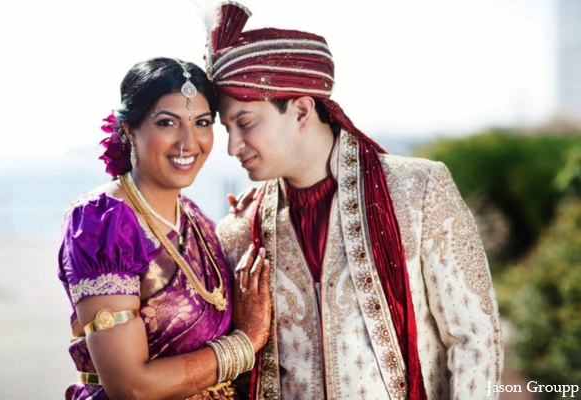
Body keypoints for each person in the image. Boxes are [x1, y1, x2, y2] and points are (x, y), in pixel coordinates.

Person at [209, 3, 504, 399]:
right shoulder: (239, 231)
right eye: (227, 128)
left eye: (244, 123)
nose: (232, 146)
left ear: (300, 110)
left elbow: (475, 338)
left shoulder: (417, 190)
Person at [57, 57, 271, 400]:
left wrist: (251, 219)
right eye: (168, 122)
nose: (189, 142)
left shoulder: (196, 219)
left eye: (202, 122)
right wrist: (245, 342)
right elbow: (131, 387)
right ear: (129, 129)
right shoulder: (102, 223)